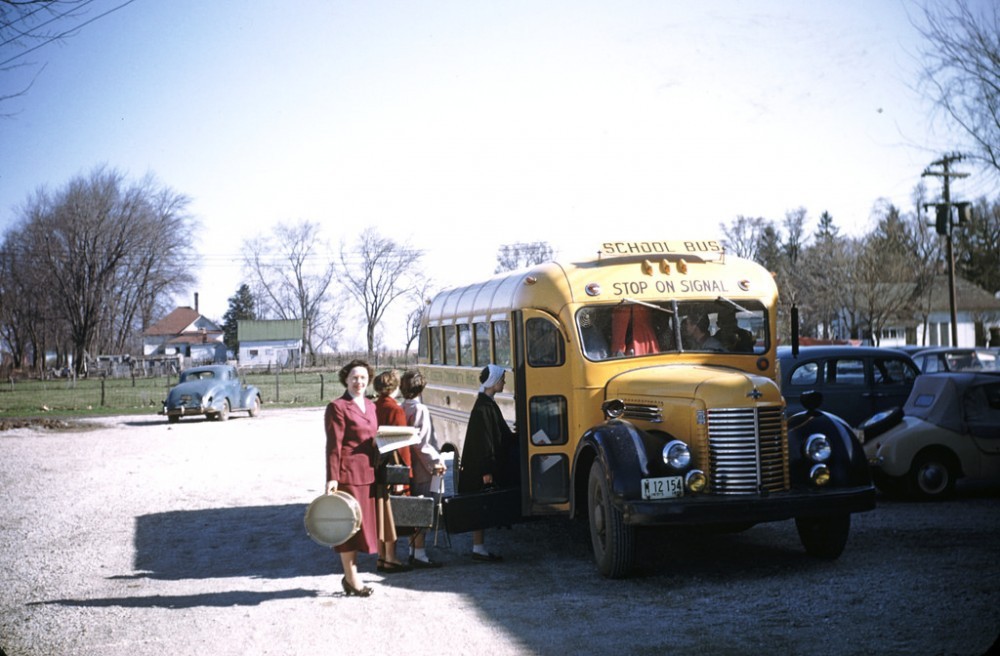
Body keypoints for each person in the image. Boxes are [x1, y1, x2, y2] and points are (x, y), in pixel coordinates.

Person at [325, 359, 378, 597]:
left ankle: (351, 577)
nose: (359, 382)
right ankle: (352, 578)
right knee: (349, 527)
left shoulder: (371, 405)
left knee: (363, 528)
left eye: (364, 378)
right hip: (347, 475)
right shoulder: (337, 407)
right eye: (355, 378)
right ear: (346, 379)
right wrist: (332, 478)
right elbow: (333, 446)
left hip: (368, 473)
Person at [458, 364, 517, 562]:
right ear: (493, 383)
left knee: (481, 506)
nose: (504, 383)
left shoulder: (486, 404)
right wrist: (487, 470)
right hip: (481, 467)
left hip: (482, 465)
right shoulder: (484, 408)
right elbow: (485, 443)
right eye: (501, 380)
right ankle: (478, 548)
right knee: (481, 506)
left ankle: (479, 547)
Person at [399, 369, 447, 568]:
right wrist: (436, 461)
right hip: (422, 467)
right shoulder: (420, 409)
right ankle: (419, 554)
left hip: (409, 464)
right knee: (424, 509)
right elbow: (422, 442)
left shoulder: (403, 407)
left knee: (413, 510)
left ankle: (413, 550)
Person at [373, 370, 412, 574]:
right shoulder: (395, 409)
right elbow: (401, 443)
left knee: (379, 513)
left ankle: (381, 556)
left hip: (376, 466)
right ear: (394, 387)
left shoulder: (373, 406)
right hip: (392, 468)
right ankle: (391, 557)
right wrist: (405, 473)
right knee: (392, 515)